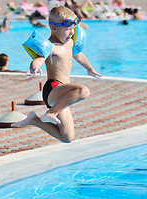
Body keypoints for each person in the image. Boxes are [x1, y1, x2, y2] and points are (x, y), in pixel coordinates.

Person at [11, 6, 102, 143]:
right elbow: (38, 59)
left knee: (67, 137)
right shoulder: (50, 46)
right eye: (67, 29)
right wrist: (34, 68)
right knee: (83, 90)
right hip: (53, 88)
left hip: (64, 94)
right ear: (53, 28)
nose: (71, 32)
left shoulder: (70, 42)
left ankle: (34, 120)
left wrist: (89, 68)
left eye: (73, 29)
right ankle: (51, 113)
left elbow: (79, 56)